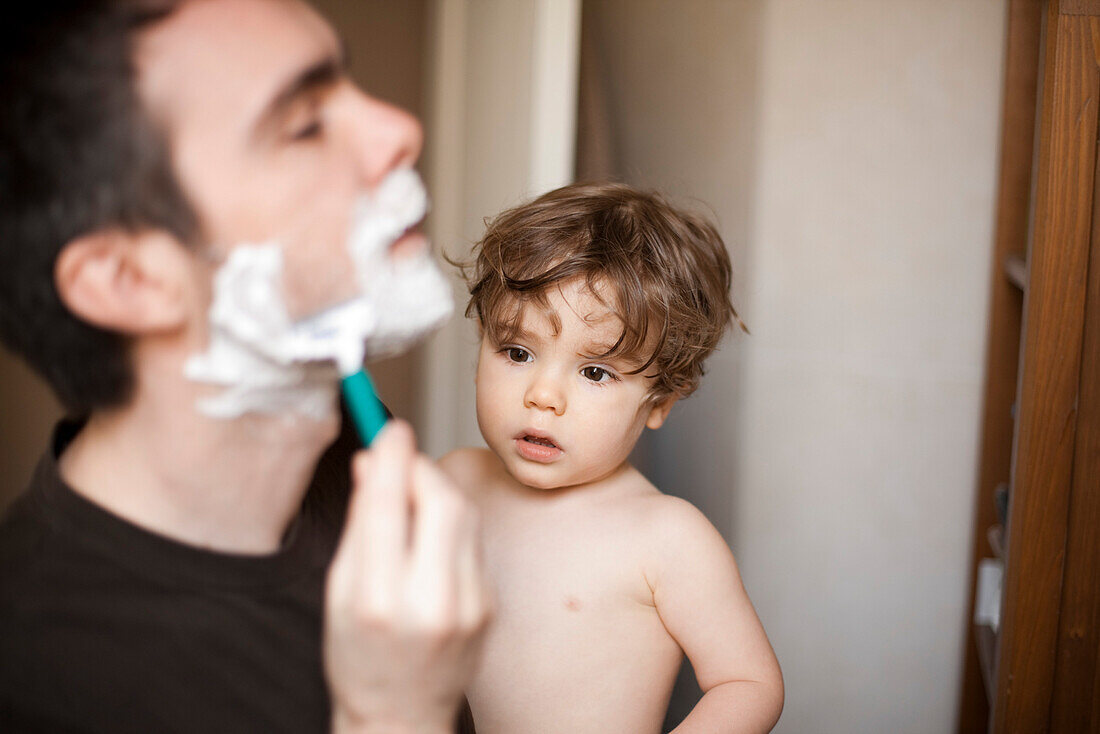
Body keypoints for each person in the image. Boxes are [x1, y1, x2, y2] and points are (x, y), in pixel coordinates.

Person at [0, 1, 488, 733]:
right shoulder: (31, 676)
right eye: (304, 122)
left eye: (347, 83)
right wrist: (393, 718)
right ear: (131, 279)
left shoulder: (363, 458)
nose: (399, 130)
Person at [439, 182, 784, 733]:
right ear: (481, 349)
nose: (543, 394)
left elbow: (748, 684)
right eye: (517, 351)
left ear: (659, 402)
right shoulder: (451, 483)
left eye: (596, 371)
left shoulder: (667, 537)